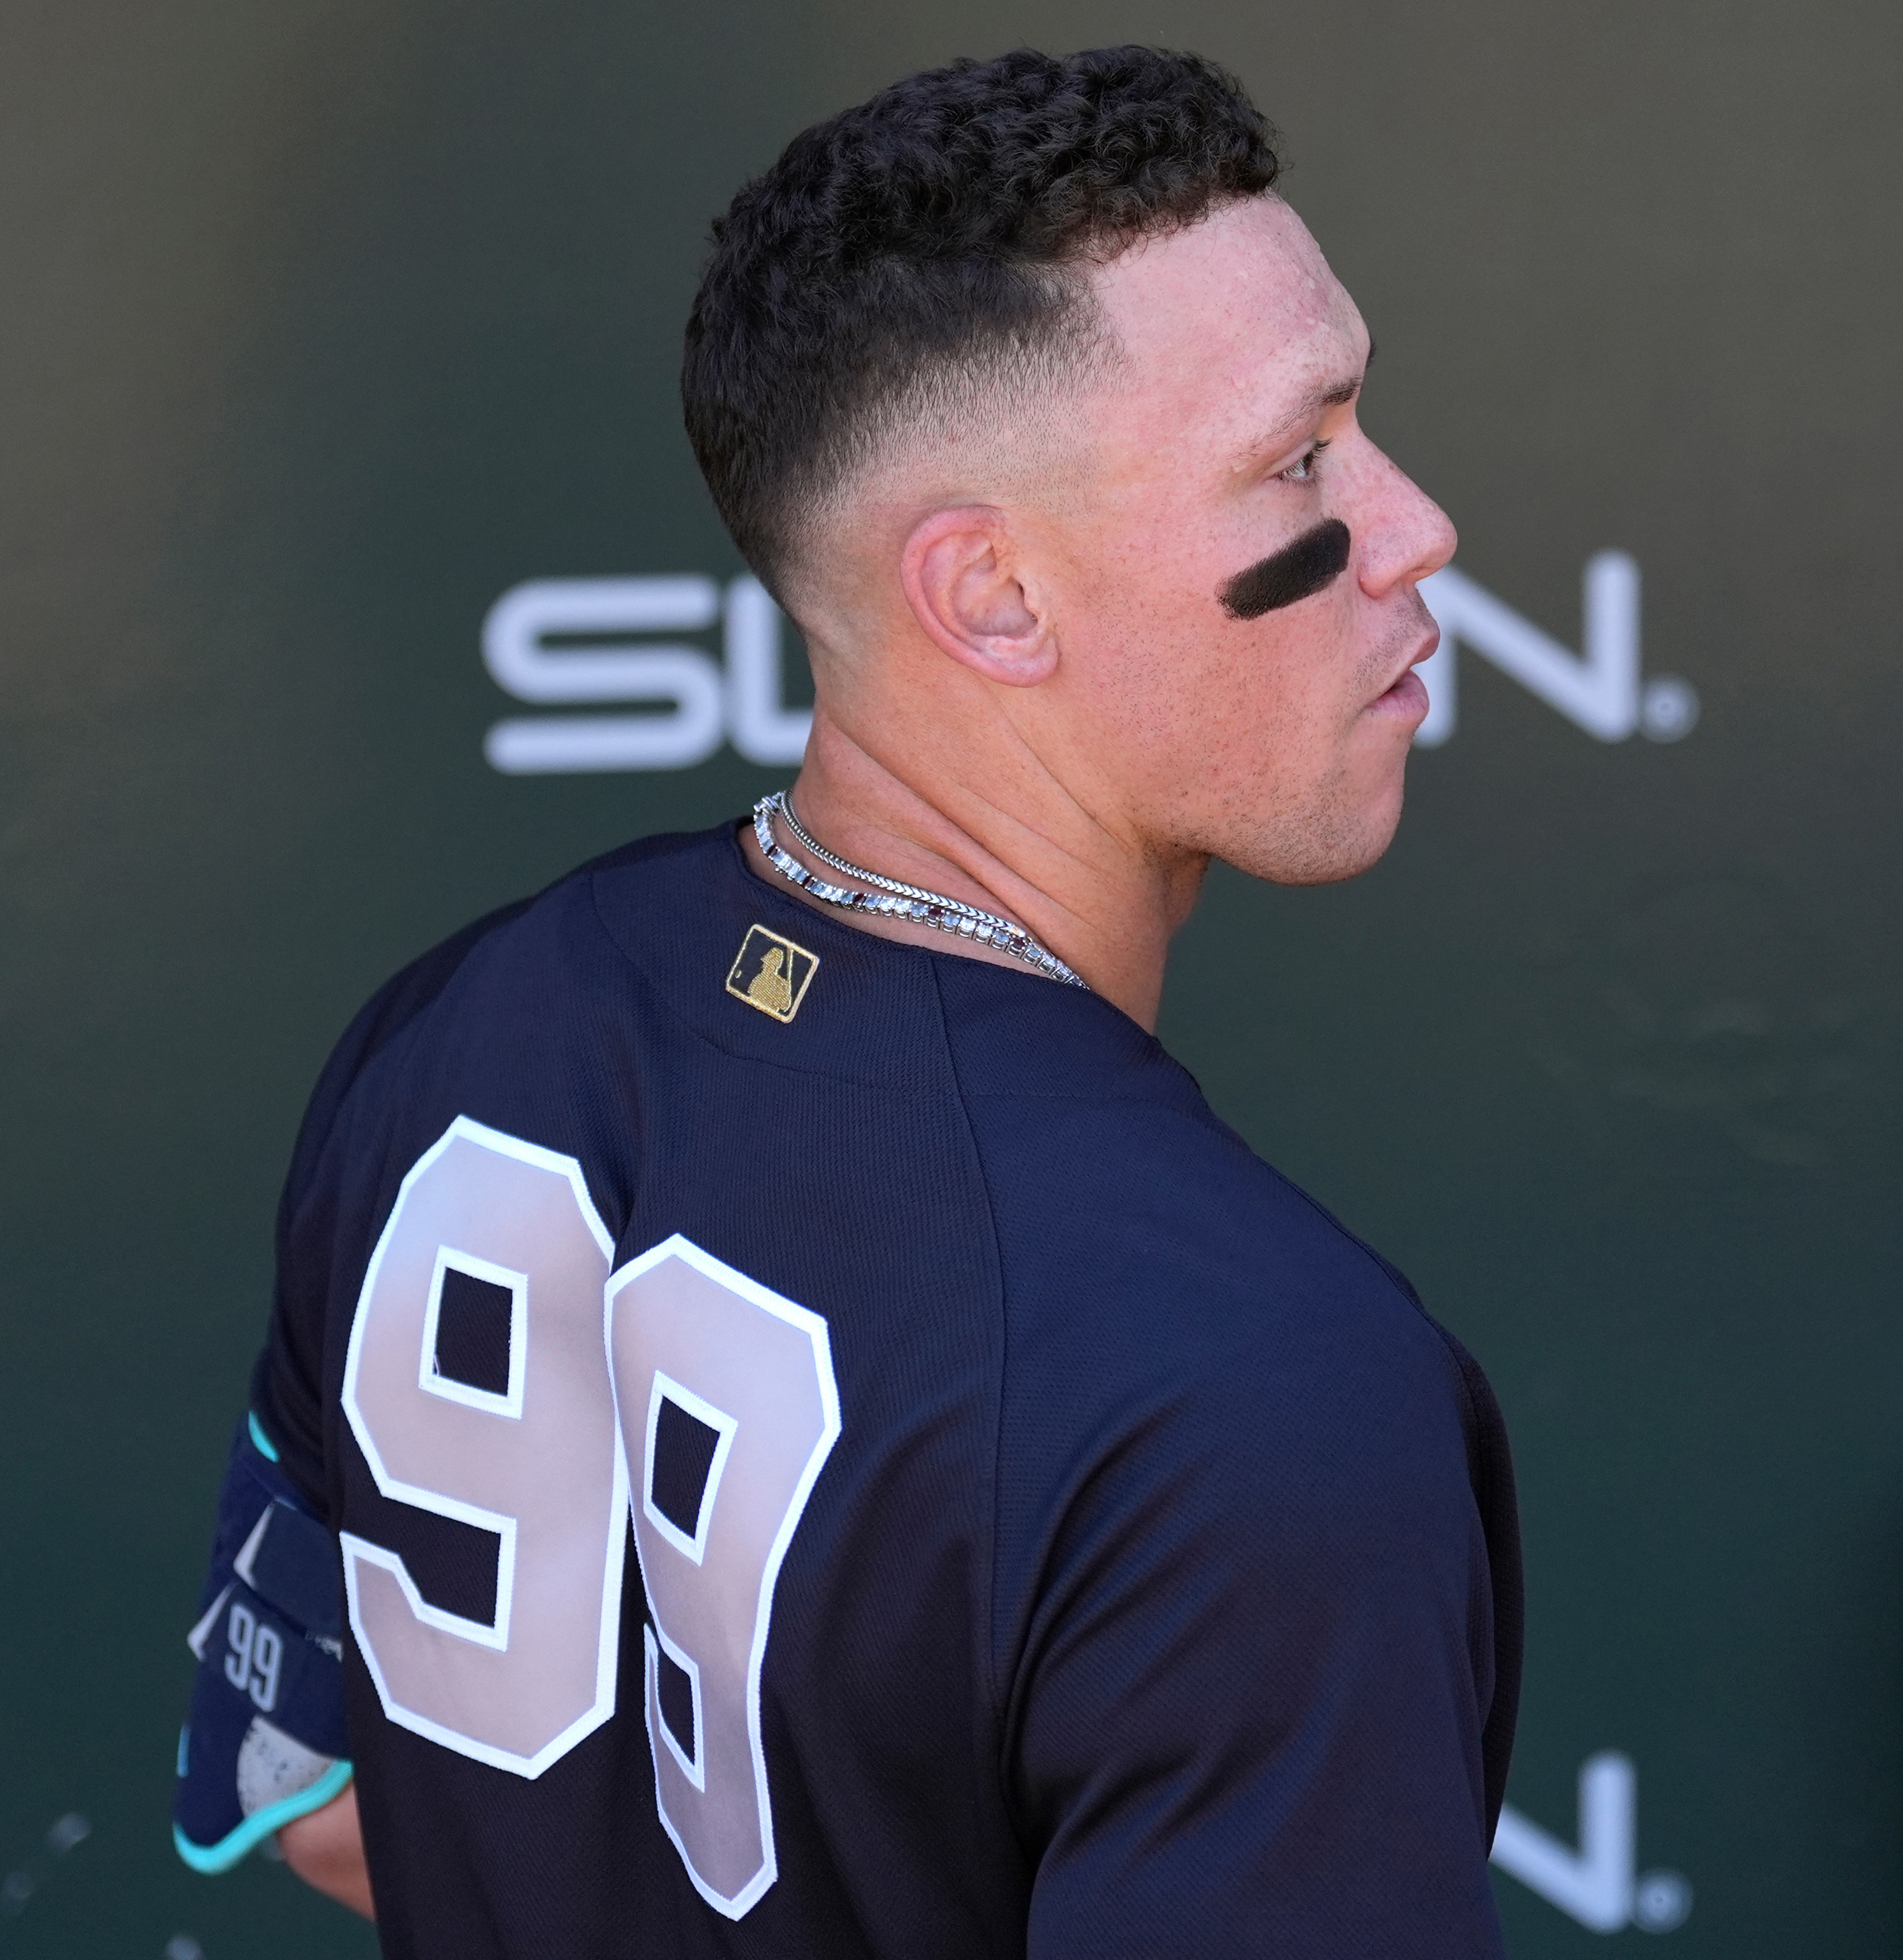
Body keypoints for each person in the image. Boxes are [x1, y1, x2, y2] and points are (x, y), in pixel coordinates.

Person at [172, 44, 1521, 1958]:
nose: (1412, 524)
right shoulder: (1262, 1393)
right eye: (1298, 459)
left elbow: (305, 1798)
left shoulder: (456, 1027)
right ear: (990, 598)